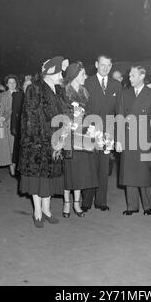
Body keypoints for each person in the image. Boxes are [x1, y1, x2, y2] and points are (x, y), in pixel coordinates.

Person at [19, 56, 69, 228]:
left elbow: (63, 115)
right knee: (38, 179)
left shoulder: (58, 90)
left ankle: (47, 210)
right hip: (38, 144)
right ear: (51, 72)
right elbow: (30, 118)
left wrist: (63, 136)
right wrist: (40, 141)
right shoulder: (35, 89)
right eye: (59, 71)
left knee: (49, 178)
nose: (62, 74)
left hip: (56, 142)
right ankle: (37, 212)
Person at [116, 66, 151, 216]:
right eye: (129, 75)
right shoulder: (125, 93)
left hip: (145, 140)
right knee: (129, 173)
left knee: (145, 173)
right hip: (129, 139)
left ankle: (147, 206)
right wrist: (119, 140)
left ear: (142, 76)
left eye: (133, 75)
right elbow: (121, 117)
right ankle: (132, 206)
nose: (129, 78)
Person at [81, 55, 122, 212]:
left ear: (111, 66)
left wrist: (117, 136)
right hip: (90, 131)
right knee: (89, 167)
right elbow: (82, 108)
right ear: (96, 64)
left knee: (104, 168)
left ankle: (101, 201)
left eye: (108, 65)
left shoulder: (116, 85)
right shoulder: (87, 82)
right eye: (102, 65)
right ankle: (86, 201)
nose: (105, 68)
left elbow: (118, 110)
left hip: (108, 133)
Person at [61, 62, 98, 218]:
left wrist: (91, 126)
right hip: (68, 136)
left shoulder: (85, 92)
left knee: (80, 172)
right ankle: (67, 203)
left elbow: (90, 112)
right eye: (83, 74)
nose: (86, 77)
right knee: (68, 171)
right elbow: (60, 113)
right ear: (75, 75)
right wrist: (72, 119)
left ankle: (77, 203)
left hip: (82, 136)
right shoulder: (64, 93)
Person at [4, 74, 23, 176]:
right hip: (8, 124)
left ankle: (15, 165)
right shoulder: (3, 95)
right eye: (10, 82)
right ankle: (11, 166)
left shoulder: (20, 94)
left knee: (16, 146)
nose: (12, 84)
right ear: (7, 84)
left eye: (14, 82)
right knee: (10, 146)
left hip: (18, 123)